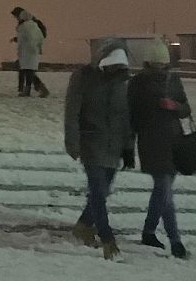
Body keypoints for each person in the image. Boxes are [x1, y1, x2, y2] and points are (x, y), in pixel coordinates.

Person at [64, 42, 135, 260]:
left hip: (113, 146)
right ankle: (107, 238)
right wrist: (72, 142)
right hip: (92, 143)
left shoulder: (121, 83)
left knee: (102, 191)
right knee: (97, 191)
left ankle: (84, 225)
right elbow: (72, 111)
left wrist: (128, 148)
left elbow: (126, 118)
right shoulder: (83, 78)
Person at [128, 38, 191, 260]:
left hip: (173, 141)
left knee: (161, 191)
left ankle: (148, 231)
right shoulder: (138, 83)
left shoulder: (173, 80)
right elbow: (132, 116)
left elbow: (186, 109)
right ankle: (176, 241)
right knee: (164, 191)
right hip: (152, 143)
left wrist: (174, 106)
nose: (159, 68)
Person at [15, 8, 49, 98]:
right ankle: (38, 89)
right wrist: (38, 48)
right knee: (29, 72)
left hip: (27, 53)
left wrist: (27, 47)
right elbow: (39, 38)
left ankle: (28, 91)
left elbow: (26, 39)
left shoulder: (25, 26)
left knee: (28, 72)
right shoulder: (34, 26)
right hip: (31, 52)